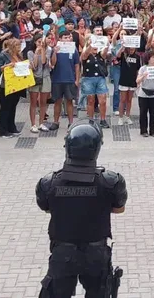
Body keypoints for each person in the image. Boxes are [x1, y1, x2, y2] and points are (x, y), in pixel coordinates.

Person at [36, 124, 127, 297]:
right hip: (96, 253)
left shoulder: (49, 183)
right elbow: (119, 208)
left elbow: (45, 207)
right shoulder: (111, 182)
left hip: (63, 252)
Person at [0, 38, 25, 138]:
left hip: (17, 85)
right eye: (17, 46)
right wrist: (6, 66)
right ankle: (3, 130)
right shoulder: (3, 55)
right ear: (12, 47)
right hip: (6, 86)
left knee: (12, 107)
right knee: (5, 108)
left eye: (20, 46)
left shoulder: (19, 55)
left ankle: (12, 127)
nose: (19, 48)